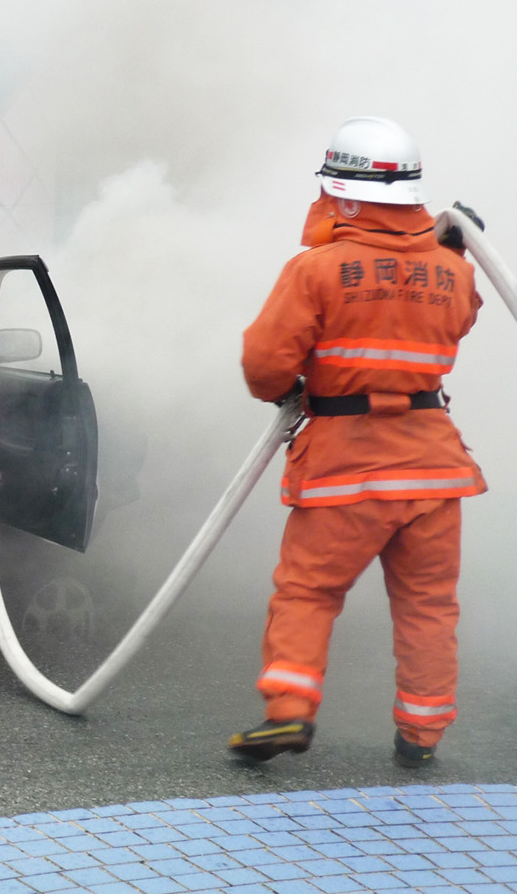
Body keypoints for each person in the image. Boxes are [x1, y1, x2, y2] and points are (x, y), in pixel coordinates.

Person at [230, 116, 486, 766]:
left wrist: (294, 384)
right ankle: (422, 734)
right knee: (429, 606)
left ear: (341, 194)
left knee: (309, 592)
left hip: (347, 466)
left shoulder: (316, 270)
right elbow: (459, 320)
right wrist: (453, 251)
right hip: (433, 468)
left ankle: (289, 713)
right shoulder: (452, 271)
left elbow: (264, 368)